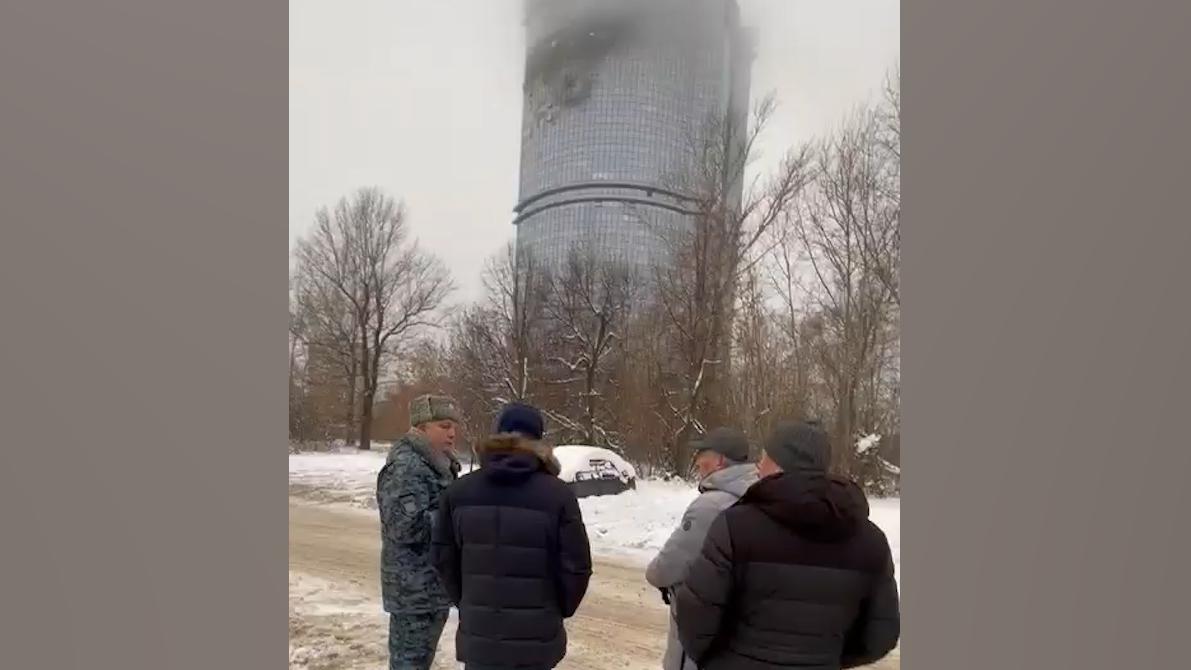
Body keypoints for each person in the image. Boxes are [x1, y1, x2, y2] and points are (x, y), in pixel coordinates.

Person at [673, 420, 900, 670]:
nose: (758, 467)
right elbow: (881, 634)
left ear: (781, 464)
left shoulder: (734, 526)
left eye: (765, 458)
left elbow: (694, 616)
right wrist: (826, 657)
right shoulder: (871, 541)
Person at [431, 402, 592, 670]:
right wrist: (557, 609)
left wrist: (469, 601)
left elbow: (442, 558)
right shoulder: (558, 495)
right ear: (539, 440)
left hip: (480, 637)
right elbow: (577, 568)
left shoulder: (458, 492)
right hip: (537, 638)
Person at [646, 427, 759, 670]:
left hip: (700, 630)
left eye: (702, 454)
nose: (697, 461)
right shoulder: (759, 496)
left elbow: (666, 568)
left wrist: (654, 574)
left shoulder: (710, 506)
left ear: (719, 461)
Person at [376, 394, 463, 670]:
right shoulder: (406, 467)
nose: (452, 433)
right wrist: (459, 518)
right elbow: (404, 526)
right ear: (421, 428)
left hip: (430, 588)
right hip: (412, 593)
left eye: (453, 426)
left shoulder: (437, 463)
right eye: (444, 426)